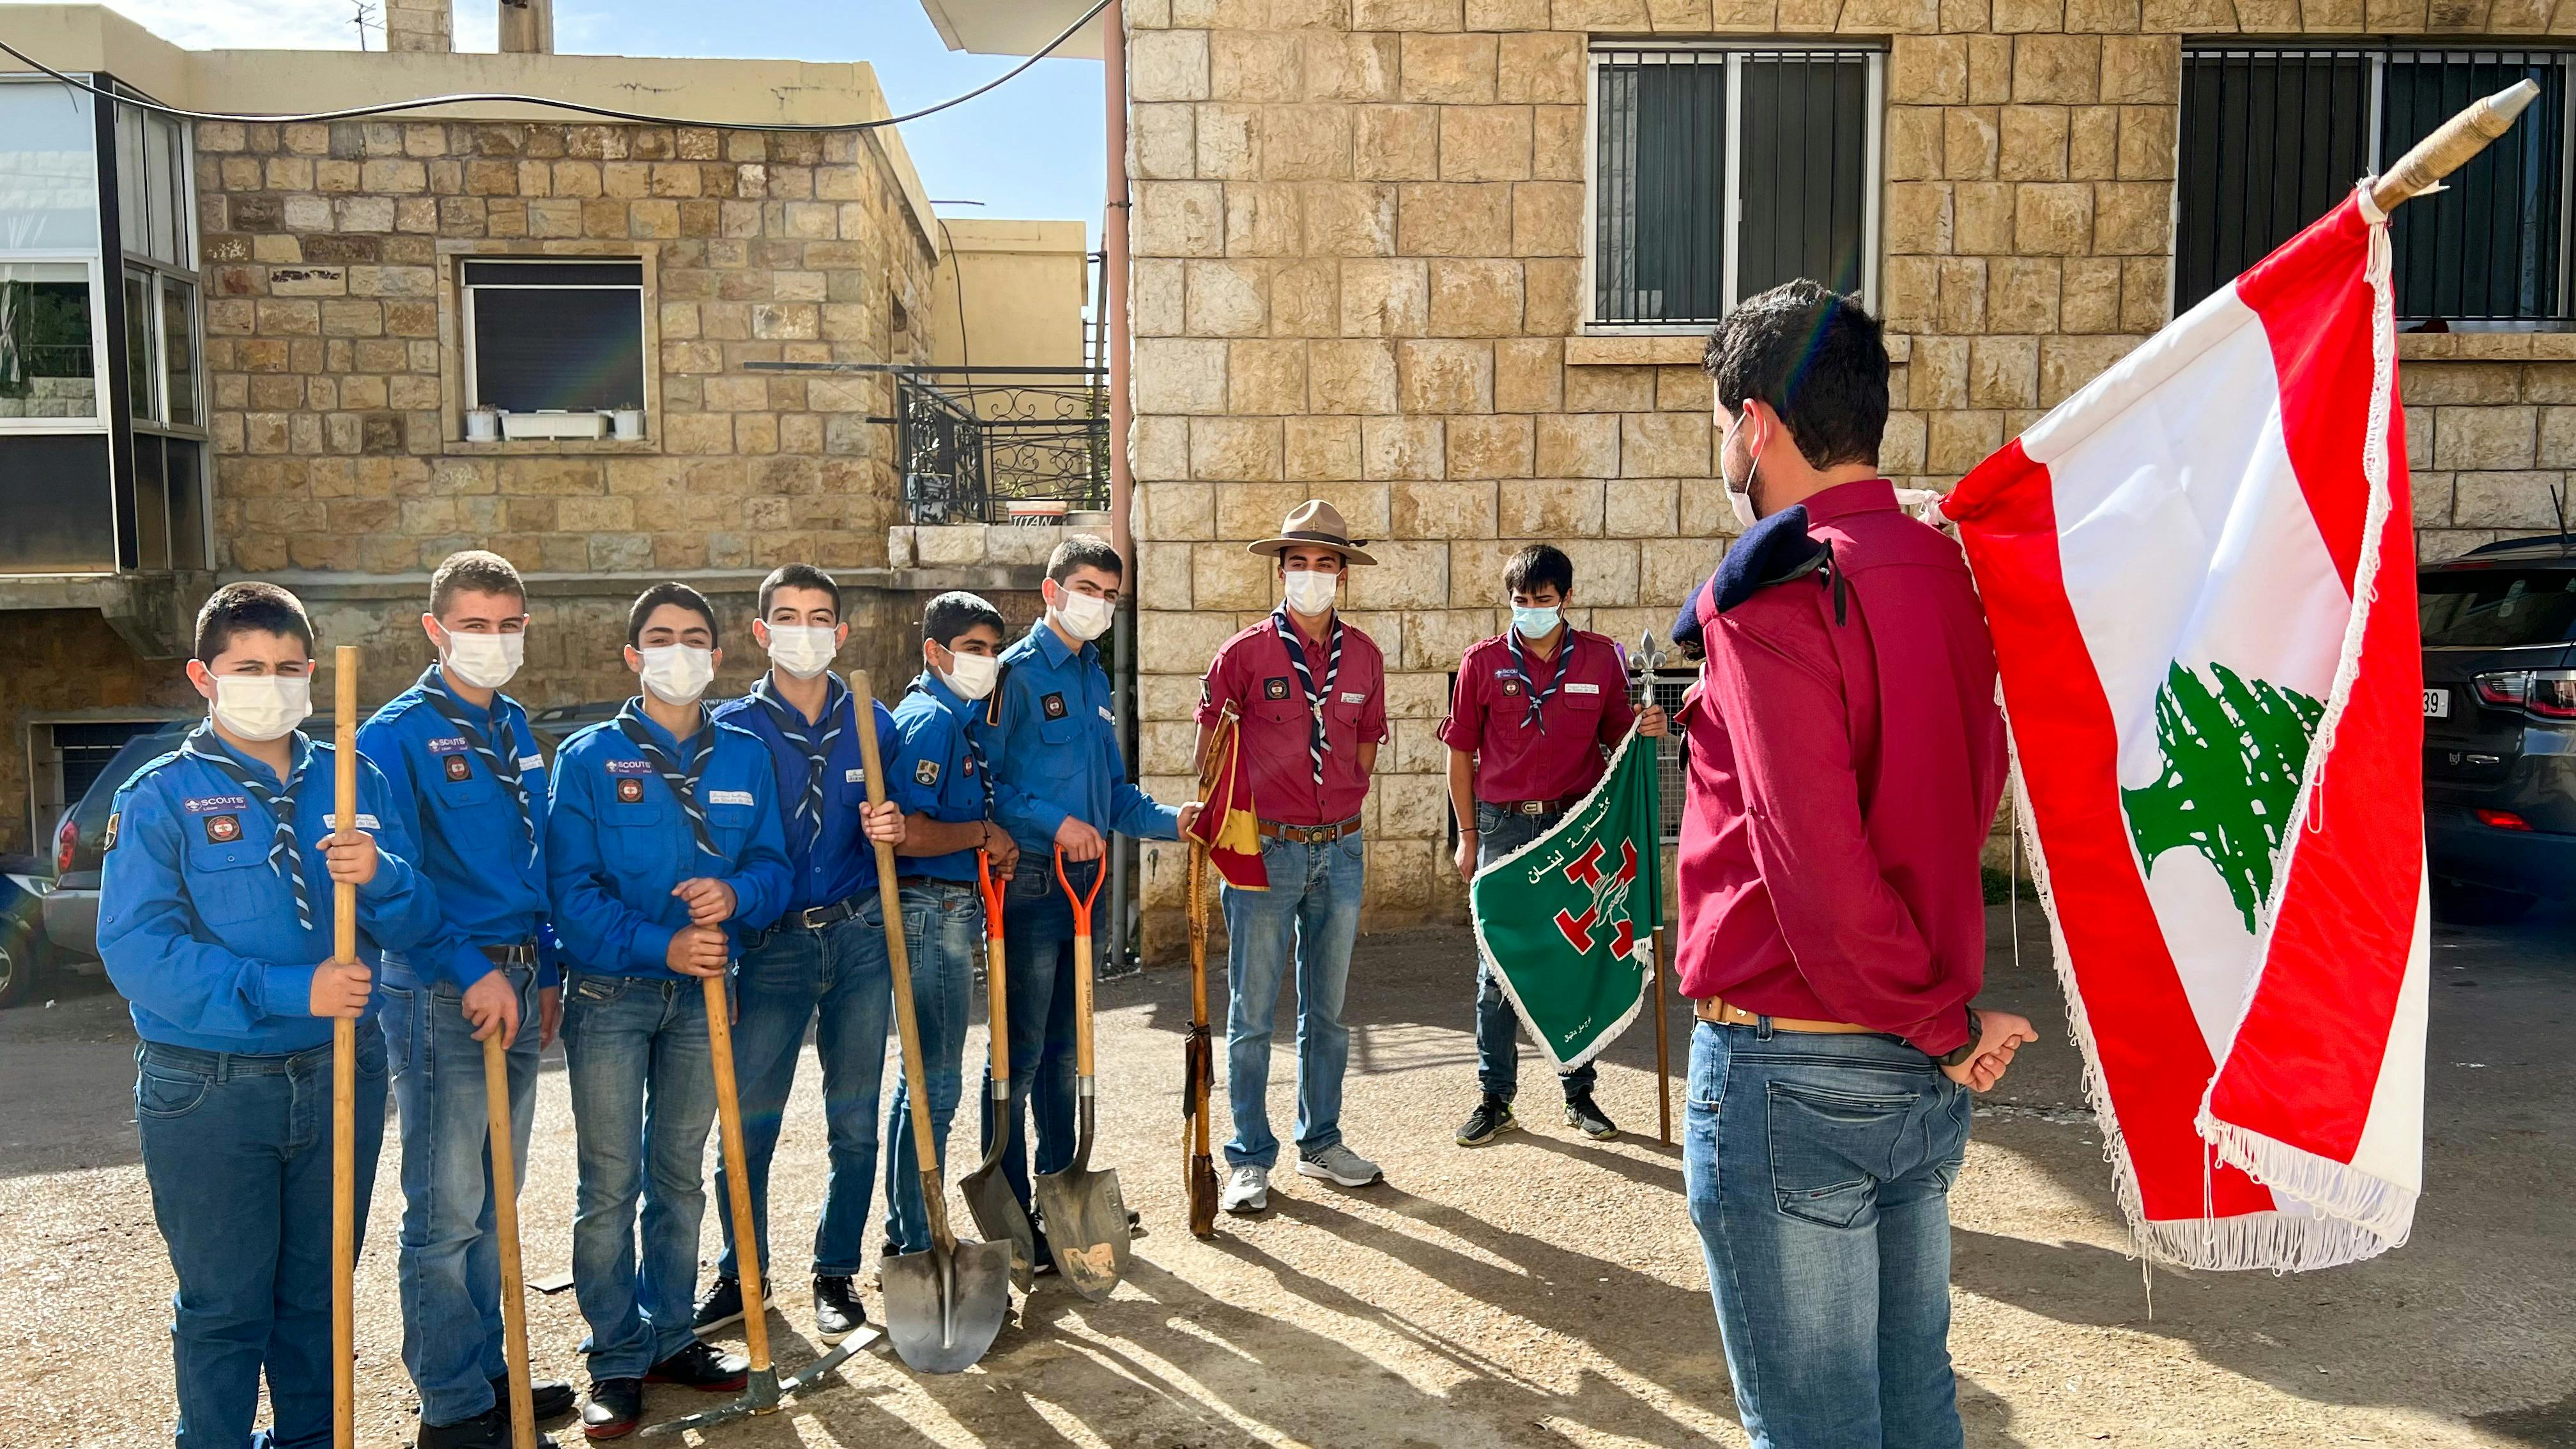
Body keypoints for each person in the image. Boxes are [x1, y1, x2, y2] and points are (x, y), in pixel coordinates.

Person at [1677, 279, 2039, 1449]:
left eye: (1720, 416)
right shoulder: (1946, 569)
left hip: (1799, 1060)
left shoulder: (1773, 584)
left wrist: (1940, 1021)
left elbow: (1820, 878)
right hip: (1913, 1064)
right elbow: (1958, 795)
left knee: (1820, 1427)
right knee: (1913, 1405)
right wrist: (1939, 1023)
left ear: (1757, 423)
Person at [100, 581, 448, 1449]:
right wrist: (291, 991)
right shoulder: (160, 797)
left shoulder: (354, 775)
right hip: (208, 1091)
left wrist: (384, 878)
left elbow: (418, 922)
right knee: (224, 1305)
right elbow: (139, 954)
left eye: (290, 668)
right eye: (248, 668)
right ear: (202, 677)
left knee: (318, 1298)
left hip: (341, 1074)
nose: (272, 683)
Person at [547, 583, 793, 1441]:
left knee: (680, 1175)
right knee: (609, 1184)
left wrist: (735, 893)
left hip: (707, 999)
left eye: (695, 638)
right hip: (613, 997)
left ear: (718, 657)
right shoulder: (585, 759)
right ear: (632, 656)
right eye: (661, 638)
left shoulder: (746, 756)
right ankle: (615, 1357)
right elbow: (569, 893)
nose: (679, 651)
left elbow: (775, 869)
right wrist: (661, 945)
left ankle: (671, 1335)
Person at [358, 551, 573, 1447]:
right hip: (446, 989)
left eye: (509, 624)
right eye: (475, 624)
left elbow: (534, 857)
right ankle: (451, 1405)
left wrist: (547, 966)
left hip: (517, 978)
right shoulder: (394, 736)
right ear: (435, 629)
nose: (494, 641)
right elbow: (391, 885)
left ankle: (490, 1372)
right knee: (445, 1211)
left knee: (495, 1197)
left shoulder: (514, 722)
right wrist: (469, 967)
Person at [693, 564, 904, 1349]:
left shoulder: (871, 722)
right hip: (771, 944)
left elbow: (900, 822)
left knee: (854, 1119)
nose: (805, 631)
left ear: (841, 634)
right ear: (761, 632)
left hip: (856, 938)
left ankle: (835, 1271)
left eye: (820, 618)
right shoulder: (731, 730)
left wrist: (896, 829)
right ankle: (738, 1272)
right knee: (746, 1122)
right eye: (788, 616)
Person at [987, 536, 1199, 1264]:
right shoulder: (1012, 677)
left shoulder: (1091, 677)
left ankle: (1060, 1193)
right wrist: (1055, 822)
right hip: (1030, 884)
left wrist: (1176, 820)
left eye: (1110, 595)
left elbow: (1112, 795)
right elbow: (987, 790)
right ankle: (1013, 1210)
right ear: (1051, 591)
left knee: (1066, 1049)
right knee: (1018, 1053)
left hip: (1083, 890)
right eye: (1086, 588)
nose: (1099, 605)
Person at [1193, 500, 1388, 1215]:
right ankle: (1248, 1156)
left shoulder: (1364, 655)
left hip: (1339, 849)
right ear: (1281, 571)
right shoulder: (1242, 655)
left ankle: (1323, 1141)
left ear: (1343, 575)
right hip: (1265, 851)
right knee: (1250, 1015)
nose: (1312, 576)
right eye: (1299, 564)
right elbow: (1207, 754)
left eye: (1325, 564)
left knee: (1329, 1012)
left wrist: (1344, 797)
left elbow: (1368, 740)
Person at [1439, 543, 1667, 1150]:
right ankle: (1495, 1097)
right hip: (1502, 829)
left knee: (1575, 955)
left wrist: (1651, 728)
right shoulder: (1482, 663)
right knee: (1497, 966)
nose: (1531, 611)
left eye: (1543, 601)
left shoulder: (1601, 658)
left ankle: (1579, 1091)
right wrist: (1465, 837)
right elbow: (1459, 755)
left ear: (1566, 598)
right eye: (1521, 601)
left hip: (1575, 829)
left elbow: (1622, 742)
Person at [881, 592, 1020, 1258]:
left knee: (924, 1081)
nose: (986, 662)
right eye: (973, 649)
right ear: (935, 652)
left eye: (993, 650)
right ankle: (918, 1235)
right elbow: (907, 832)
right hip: (930, 910)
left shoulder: (954, 718)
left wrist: (986, 842)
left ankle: (911, 1230)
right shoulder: (931, 721)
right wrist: (983, 833)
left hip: (949, 906)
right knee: (936, 1082)